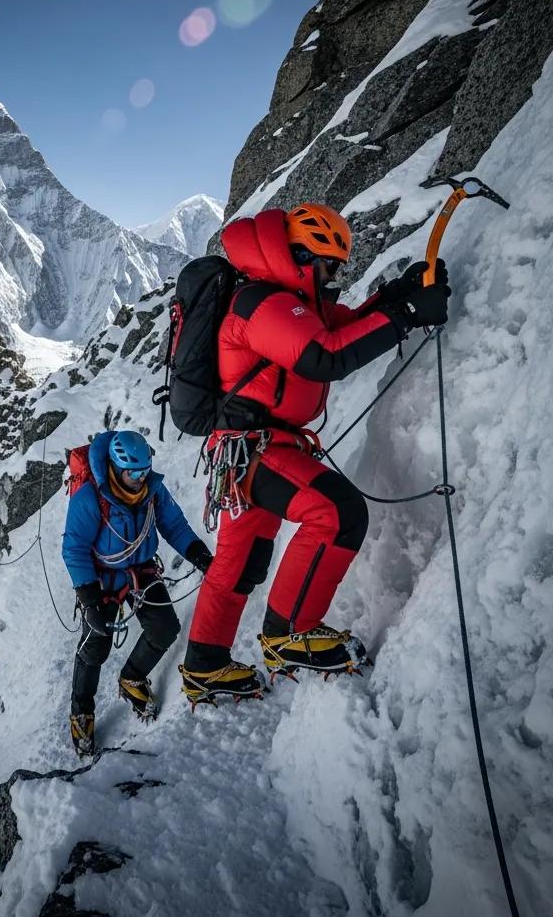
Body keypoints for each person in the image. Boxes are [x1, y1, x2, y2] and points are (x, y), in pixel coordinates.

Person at [180, 203, 452, 706]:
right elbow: (326, 353)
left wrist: (397, 298)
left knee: (239, 565)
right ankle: (289, 634)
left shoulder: (286, 301)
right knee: (335, 512)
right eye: (329, 266)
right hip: (255, 449)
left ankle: (205, 664)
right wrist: (408, 313)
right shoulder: (262, 302)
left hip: (249, 451)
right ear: (302, 255)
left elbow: (342, 326)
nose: (334, 278)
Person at [62, 429, 212, 755]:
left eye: (144, 470)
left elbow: (174, 525)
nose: (140, 478)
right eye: (133, 472)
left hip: (141, 569)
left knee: (165, 627)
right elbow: (74, 548)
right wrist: (89, 603)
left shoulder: (153, 491)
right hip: (101, 580)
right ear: (116, 467)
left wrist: (198, 553)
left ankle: (132, 678)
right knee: (94, 646)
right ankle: (81, 712)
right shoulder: (90, 498)